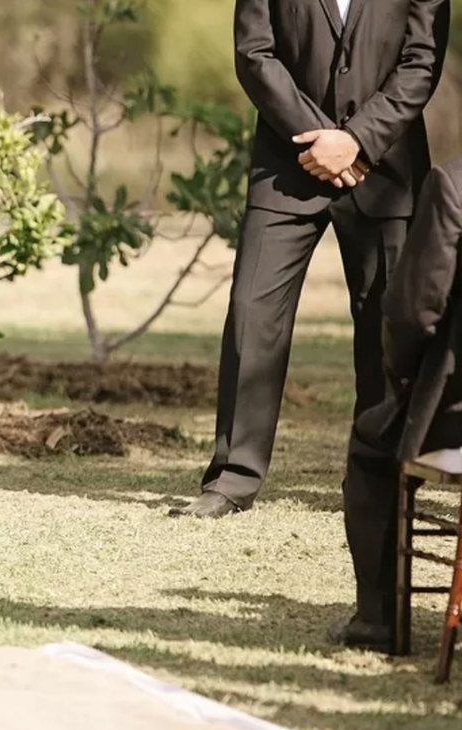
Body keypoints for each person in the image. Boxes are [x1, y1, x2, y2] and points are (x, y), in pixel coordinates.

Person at [169, 0, 451, 519]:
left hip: (385, 170)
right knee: (252, 314)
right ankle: (232, 478)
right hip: (287, 163)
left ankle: (378, 480)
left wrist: (358, 140)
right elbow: (254, 52)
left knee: (387, 331)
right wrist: (320, 141)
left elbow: (423, 59)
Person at [331, 160, 462, 650]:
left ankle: (378, 621)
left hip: (457, 420)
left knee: (373, 441)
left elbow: (413, 312)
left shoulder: (454, 183)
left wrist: (401, 371)